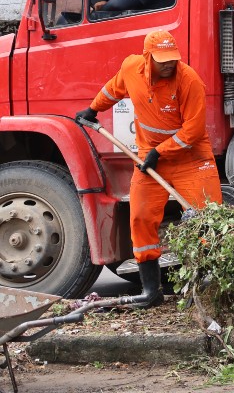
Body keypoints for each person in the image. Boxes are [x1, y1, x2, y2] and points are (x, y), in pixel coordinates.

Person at [75, 30, 221, 307]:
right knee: (140, 219)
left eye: (172, 59)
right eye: (162, 59)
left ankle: (206, 292)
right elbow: (113, 88)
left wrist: (159, 151)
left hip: (191, 160)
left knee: (208, 222)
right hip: (149, 160)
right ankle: (151, 292)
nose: (169, 64)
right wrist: (92, 110)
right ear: (147, 57)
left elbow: (193, 131)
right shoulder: (132, 68)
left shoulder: (189, 80)